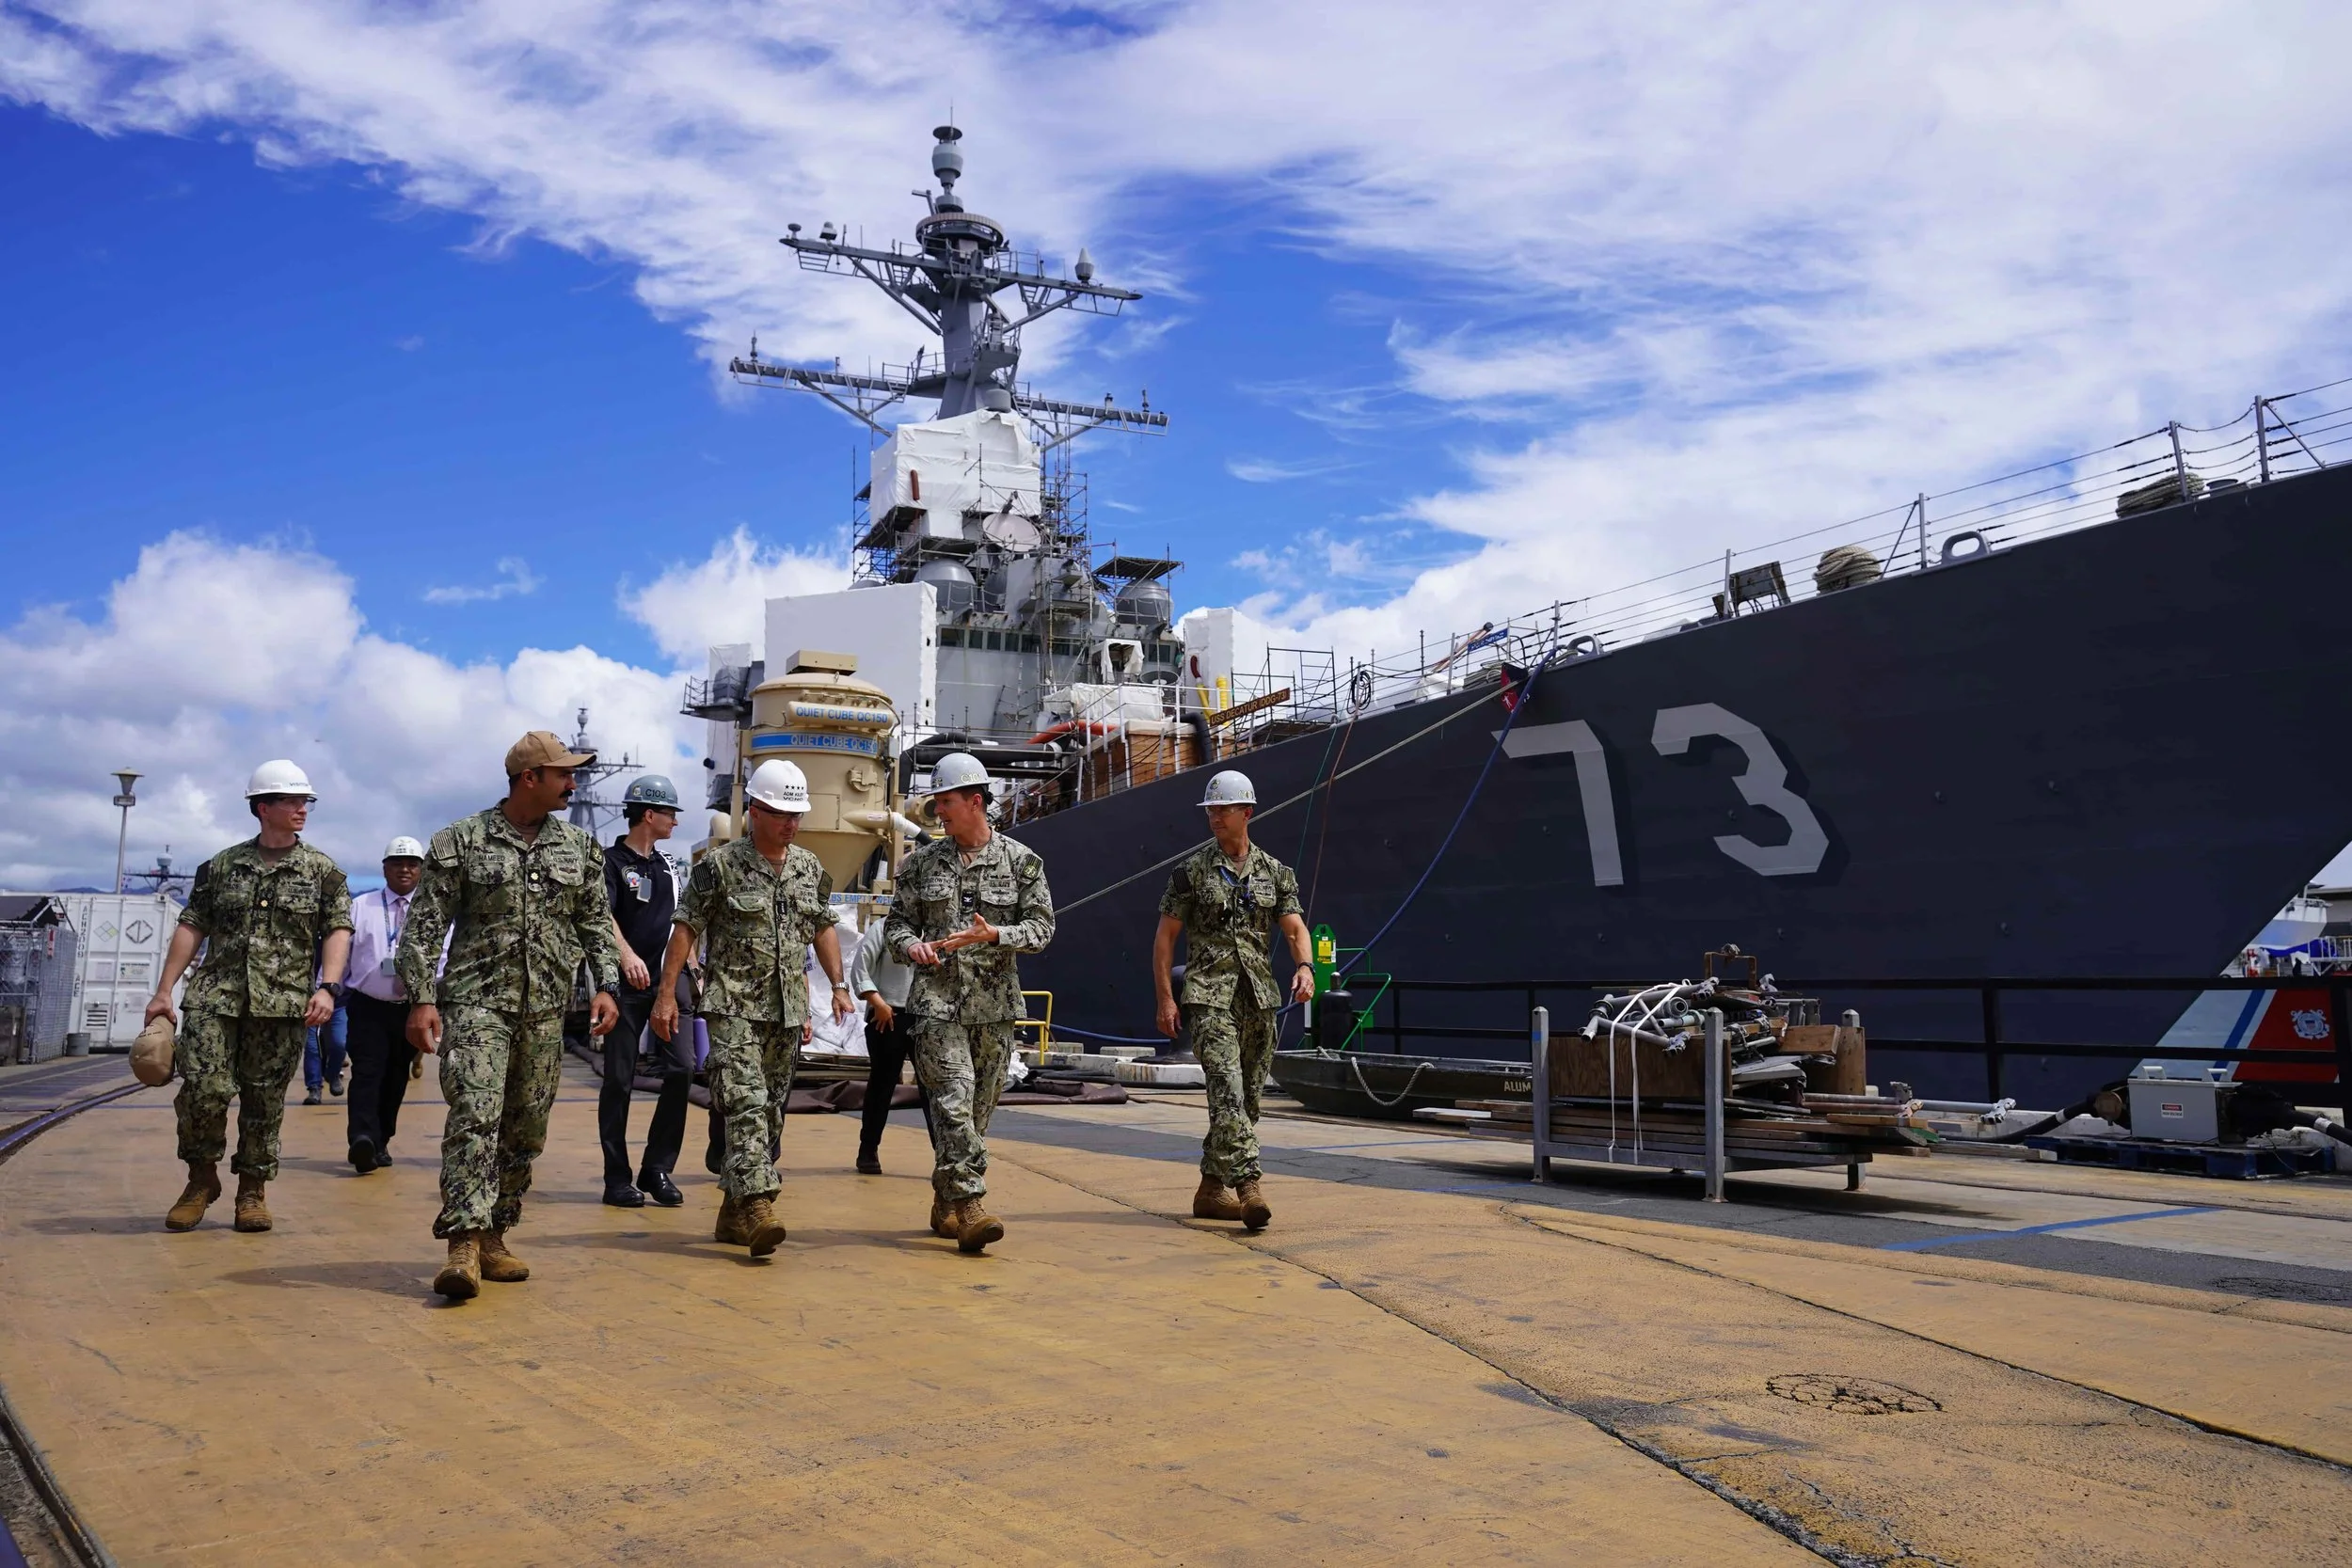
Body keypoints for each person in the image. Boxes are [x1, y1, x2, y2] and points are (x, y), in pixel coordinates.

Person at [400, 731, 622, 1302]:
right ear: (530, 778)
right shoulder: (461, 841)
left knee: (526, 1127)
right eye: (563, 774)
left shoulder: (577, 848)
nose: (572, 783)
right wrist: (423, 998)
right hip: (477, 1004)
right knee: (475, 1114)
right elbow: (423, 929)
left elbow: (595, 922)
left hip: (546, 1009)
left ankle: (497, 1232)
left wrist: (606, 987)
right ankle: (463, 1245)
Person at [654, 759, 852, 1258]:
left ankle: (730, 1214)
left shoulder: (808, 868)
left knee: (769, 1114)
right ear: (755, 813)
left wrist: (838, 984)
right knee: (744, 1104)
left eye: (797, 815)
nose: (791, 824)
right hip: (733, 1007)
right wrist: (666, 994)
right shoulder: (718, 867)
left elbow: (822, 926)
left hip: (786, 1013)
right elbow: (685, 929)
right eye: (782, 814)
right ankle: (760, 1204)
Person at [145, 760, 353, 1234]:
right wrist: (164, 992)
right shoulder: (220, 867)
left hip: (282, 1005)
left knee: (264, 1101)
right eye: (292, 800)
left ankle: (252, 1191)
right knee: (202, 1091)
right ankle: (200, 1182)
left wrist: (328, 986)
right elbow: (191, 926)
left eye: (306, 801)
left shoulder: (324, 873)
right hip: (215, 998)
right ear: (263, 808)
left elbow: (337, 930)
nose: (303, 809)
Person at [883, 752, 1055, 1254]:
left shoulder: (1023, 862)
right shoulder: (920, 866)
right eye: (936, 802)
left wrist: (996, 933)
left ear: (975, 801)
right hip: (936, 1003)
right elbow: (896, 925)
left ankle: (947, 1201)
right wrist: (908, 945)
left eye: (947, 802)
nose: (939, 811)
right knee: (954, 1104)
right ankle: (972, 1205)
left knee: (977, 1116)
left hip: (995, 1008)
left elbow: (1043, 930)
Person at [1152, 769, 1312, 1231]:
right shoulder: (1191, 872)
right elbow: (1165, 940)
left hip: (1259, 999)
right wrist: (1167, 1000)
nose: (1214, 818)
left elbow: (1295, 927)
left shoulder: (1276, 873)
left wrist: (1305, 967)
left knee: (1249, 1102)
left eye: (1223, 810)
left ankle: (1209, 1190)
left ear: (1248, 812)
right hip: (1208, 996)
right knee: (1226, 1091)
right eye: (1210, 811)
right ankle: (1249, 1187)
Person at [598, 774, 692, 1209]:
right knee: (618, 1080)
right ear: (648, 814)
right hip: (625, 986)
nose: (675, 820)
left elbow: (681, 919)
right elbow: (602, 916)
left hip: (669, 984)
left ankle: (656, 1168)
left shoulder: (668, 866)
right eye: (670, 812)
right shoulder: (610, 863)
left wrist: (690, 965)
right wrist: (626, 956)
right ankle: (616, 1178)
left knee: (681, 1070)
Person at [341, 836, 432, 1174]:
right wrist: (327, 987)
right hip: (368, 1006)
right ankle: (361, 1137)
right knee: (367, 1072)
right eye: (397, 863)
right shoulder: (360, 906)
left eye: (412, 864)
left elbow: (445, 958)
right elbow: (342, 952)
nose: (404, 869)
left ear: (422, 869)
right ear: (384, 868)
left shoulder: (431, 912)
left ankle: (381, 1141)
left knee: (396, 1077)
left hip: (410, 1008)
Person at [850, 906, 930, 1174]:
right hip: (889, 1015)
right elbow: (861, 968)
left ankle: (947, 1157)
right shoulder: (883, 927)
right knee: (882, 1086)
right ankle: (868, 1150)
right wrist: (877, 1002)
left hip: (929, 1017)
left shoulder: (938, 928)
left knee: (936, 1091)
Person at [301, 998, 347, 1105]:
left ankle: (333, 1074)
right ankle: (314, 1088)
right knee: (312, 1048)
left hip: (339, 1004)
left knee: (340, 1044)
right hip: (311, 1007)